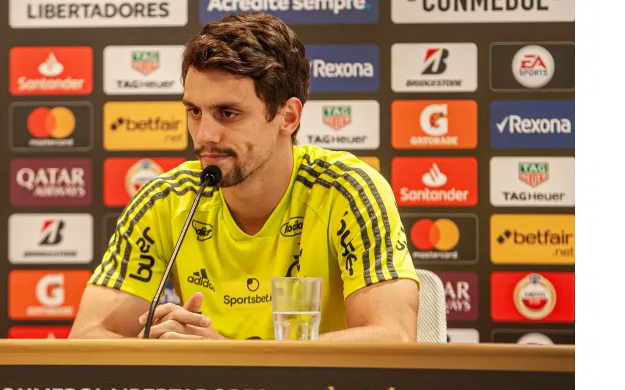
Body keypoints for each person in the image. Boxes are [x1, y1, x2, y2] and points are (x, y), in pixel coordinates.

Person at [69, 12, 420, 342]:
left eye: (228, 113)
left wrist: (232, 357)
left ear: (288, 117)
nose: (205, 134)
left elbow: (394, 336)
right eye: (194, 111)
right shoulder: (166, 200)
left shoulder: (347, 190)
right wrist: (153, 346)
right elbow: (86, 336)